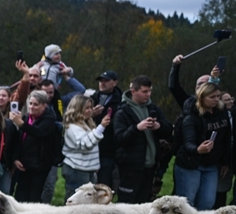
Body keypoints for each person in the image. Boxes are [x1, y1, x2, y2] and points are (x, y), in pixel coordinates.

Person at [113, 75, 172, 204]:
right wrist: (137, 128)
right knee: (127, 203)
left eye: (150, 91)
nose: (148, 95)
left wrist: (158, 127)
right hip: (130, 167)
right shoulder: (122, 112)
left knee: (144, 203)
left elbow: (168, 130)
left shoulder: (153, 108)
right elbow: (120, 139)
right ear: (133, 91)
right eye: (145, 91)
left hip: (150, 166)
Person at [174, 81, 232, 211]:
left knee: (207, 202)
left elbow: (227, 138)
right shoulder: (191, 117)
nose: (216, 100)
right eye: (212, 97)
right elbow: (187, 141)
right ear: (202, 97)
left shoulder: (221, 112)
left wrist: (225, 162)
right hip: (191, 164)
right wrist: (198, 149)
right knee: (187, 203)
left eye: (218, 96)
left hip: (212, 164)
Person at [10, 90, 58, 202]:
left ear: (44, 106)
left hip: (39, 165)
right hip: (24, 164)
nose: (32, 107)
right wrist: (16, 158)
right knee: (20, 196)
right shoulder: (27, 117)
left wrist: (21, 123)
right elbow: (19, 140)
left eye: (36, 104)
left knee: (33, 197)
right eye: (30, 103)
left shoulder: (49, 118)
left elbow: (39, 132)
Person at [62, 94, 111, 198]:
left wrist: (94, 165)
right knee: (75, 201)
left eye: (90, 107)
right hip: (76, 170)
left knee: (88, 201)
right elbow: (85, 145)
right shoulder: (72, 127)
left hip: (86, 170)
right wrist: (101, 127)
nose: (90, 110)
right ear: (78, 109)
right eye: (86, 108)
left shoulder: (85, 123)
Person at [91, 71, 122, 189]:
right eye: (101, 81)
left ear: (115, 82)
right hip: (90, 148)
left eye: (106, 81)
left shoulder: (121, 101)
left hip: (108, 150)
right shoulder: (91, 99)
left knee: (103, 185)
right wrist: (91, 115)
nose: (102, 83)